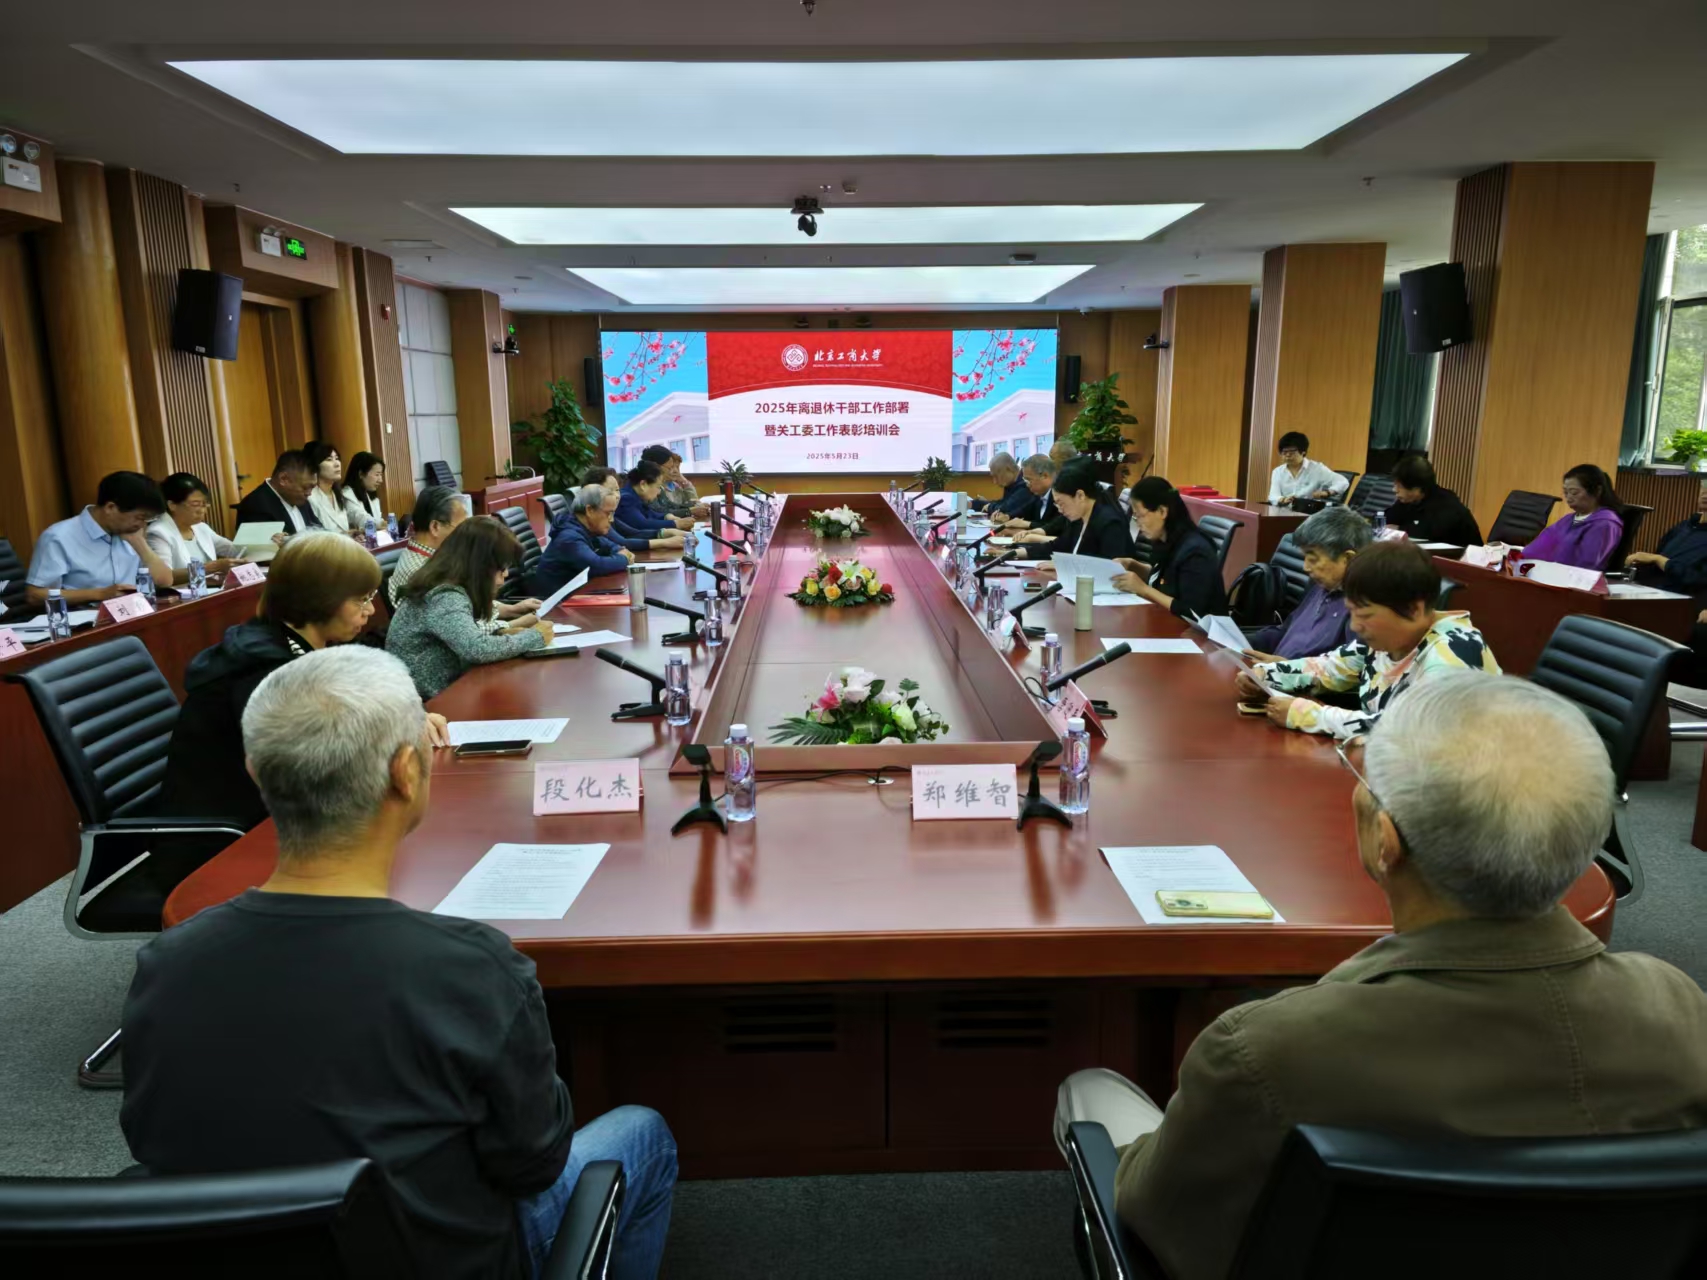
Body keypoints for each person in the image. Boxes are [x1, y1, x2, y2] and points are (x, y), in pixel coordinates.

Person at [1054, 672, 1707, 1280]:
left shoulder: (1266, 1050)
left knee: (1090, 1091)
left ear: (1385, 841)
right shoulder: (1680, 1011)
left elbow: (1159, 1221)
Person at [122, 646, 678, 1280]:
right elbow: (533, 1164)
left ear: (255, 770)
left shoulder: (167, 962)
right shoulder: (472, 968)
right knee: (642, 1133)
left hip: (236, 1253)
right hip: (440, 1260)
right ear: (407, 773)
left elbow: (154, 1147)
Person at [157, 531, 448, 828]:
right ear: (321, 600)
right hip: (230, 832)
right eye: (362, 599)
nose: (371, 610)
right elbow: (311, 765)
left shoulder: (303, 642)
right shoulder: (264, 669)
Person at [1238, 540, 1499, 739]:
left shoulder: (1454, 653)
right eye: (1351, 612)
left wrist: (1308, 716)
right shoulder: (1384, 642)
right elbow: (1328, 669)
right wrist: (1264, 675)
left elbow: (1411, 733)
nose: (1354, 626)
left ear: (1414, 609)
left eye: (1365, 615)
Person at [387, 516, 552, 698]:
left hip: (451, 688)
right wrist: (535, 637)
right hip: (432, 702)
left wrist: (502, 633)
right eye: (501, 567)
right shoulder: (444, 596)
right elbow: (477, 649)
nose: (505, 574)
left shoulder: (448, 585)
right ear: (479, 566)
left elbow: (466, 636)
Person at [25, 470, 176, 607]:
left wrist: (140, 544)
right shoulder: (59, 537)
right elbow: (35, 595)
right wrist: (99, 594)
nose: (142, 525)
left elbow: (164, 581)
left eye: (147, 520)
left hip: (132, 614)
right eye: (140, 517)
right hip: (84, 619)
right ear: (111, 508)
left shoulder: (131, 532)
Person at [1244, 506, 1372, 660]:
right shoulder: (1321, 586)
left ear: (1348, 559)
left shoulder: (1364, 607)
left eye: (1313, 559)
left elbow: (1351, 669)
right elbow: (1286, 631)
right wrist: (1241, 642)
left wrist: (1285, 667)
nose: (1305, 567)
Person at [1111, 476, 1229, 618]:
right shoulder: (1166, 540)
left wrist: (1144, 589)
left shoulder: (1195, 552)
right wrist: (1134, 565)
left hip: (1199, 630)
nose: (1138, 523)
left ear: (1162, 512)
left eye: (1140, 516)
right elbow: (1167, 580)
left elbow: (1191, 612)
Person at [1017, 458, 1134, 562]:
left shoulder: (1110, 522)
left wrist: (1064, 564)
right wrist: (1016, 553)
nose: (1060, 511)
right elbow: (1058, 546)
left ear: (1080, 496)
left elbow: (1110, 566)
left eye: (1061, 503)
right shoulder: (1079, 520)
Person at [532, 484, 636, 596]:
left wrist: (619, 550)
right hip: (556, 602)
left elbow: (609, 545)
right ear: (590, 510)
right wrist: (625, 558)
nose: (611, 520)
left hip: (575, 594)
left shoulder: (585, 528)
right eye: (608, 513)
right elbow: (597, 565)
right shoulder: (569, 538)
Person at [145, 472, 247, 584]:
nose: (202, 510)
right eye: (195, 504)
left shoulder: (200, 527)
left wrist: (258, 548)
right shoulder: (158, 533)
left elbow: (232, 549)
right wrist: (210, 568)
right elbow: (163, 576)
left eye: (204, 504)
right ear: (172, 505)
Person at [1519, 463, 1624, 570]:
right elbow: (1541, 544)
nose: (1568, 497)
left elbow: (1586, 565)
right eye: (1566, 493)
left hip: (1572, 577)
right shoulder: (1568, 519)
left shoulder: (1605, 523)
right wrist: (1519, 558)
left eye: (1574, 493)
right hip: (1552, 572)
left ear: (1597, 491)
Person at [1385, 455, 1483, 547]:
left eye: (1399, 486)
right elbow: (1387, 519)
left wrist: (1399, 529)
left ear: (1417, 488)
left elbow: (1427, 534)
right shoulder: (1409, 500)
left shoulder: (1448, 507)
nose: (1394, 490)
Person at [234, 450, 321, 539]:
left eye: (312, 487)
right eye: (306, 487)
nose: (309, 493)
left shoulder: (299, 498)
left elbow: (319, 531)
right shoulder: (255, 506)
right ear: (283, 479)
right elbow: (264, 546)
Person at [1266, 431, 1349, 507]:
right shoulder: (1278, 471)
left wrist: (1327, 492)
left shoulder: (1317, 469)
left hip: (1309, 512)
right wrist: (1283, 499)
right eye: (1284, 452)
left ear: (1303, 452)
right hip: (1284, 511)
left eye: (1291, 452)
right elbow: (1273, 495)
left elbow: (1343, 482)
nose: (1287, 455)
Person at [617, 460, 694, 534]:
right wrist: (676, 524)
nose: (659, 492)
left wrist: (667, 516)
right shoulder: (625, 499)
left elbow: (649, 513)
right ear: (643, 484)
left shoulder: (635, 495)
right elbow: (642, 524)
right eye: (658, 487)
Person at [997, 455, 1064, 541]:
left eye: (1028, 480)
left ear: (1045, 476)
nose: (1027, 484)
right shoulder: (1037, 496)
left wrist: (1027, 524)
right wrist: (1007, 516)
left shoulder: (1061, 497)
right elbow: (1024, 510)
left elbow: (1056, 527)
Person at [639, 446, 709, 521]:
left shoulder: (657, 484)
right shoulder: (646, 486)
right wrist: (690, 511)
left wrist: (694, 505)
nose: (674, 471)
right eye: (670, 468)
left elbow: (670, 505)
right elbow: (659, 512)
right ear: (657, 466)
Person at [303, 440, 352, 533]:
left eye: (337, 458)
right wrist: (347, 534)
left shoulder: (337, 494)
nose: (337, 464)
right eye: (329, 459)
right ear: (315, 465)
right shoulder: (310, 497)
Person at [971, 452, 1032, 518]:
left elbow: (1005, 510)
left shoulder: (1026, 484)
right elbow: (1003, 503)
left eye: (996, 476)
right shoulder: (1011, 484)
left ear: (1009, 469)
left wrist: (989, 506)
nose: (995, 481)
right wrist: (973, 504)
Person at [342, 450, 387, 528]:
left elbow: (378, 520)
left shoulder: (371, 495)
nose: (380, 480)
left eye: (381, 475)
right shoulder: (347, 494)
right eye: (377, 475)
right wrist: (381, 524)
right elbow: (360, 518)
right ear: (361, 474)